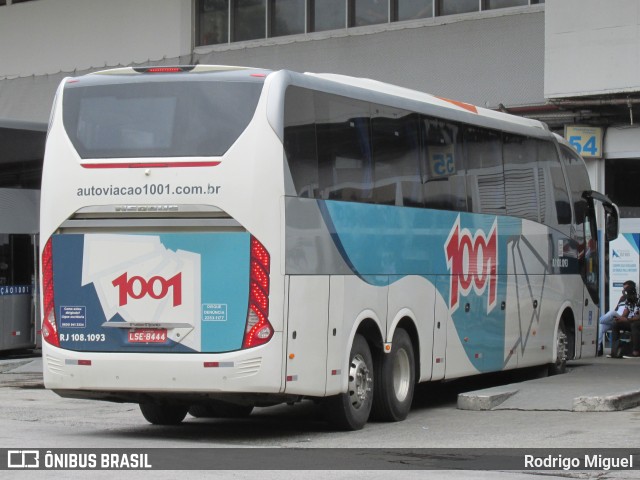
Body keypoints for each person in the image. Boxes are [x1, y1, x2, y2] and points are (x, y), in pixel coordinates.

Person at [598, 280, 636, 356]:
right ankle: (599, 349)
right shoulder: (622, 298)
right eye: (623, 289)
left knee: (611, 313)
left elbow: (628, 312)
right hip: (616, 317)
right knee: (601, 326)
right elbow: (616, 309)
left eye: (625, 289)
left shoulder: (633, 298)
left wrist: (617, 316)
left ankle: (597, 321)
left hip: (624, 318)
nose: (623, 291)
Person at [608, 285, 640, 358]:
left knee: (634, 325)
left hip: (637, 322)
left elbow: (639, 317)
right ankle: (615, 350)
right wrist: (620, 319)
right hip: (632, 321)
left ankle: (636, 351)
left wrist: (628, 319)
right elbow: (625, 314)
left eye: (629, 295)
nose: (627, 297)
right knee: (615, 324)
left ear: (634, 294)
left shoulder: (639, 299)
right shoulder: (628, 301)